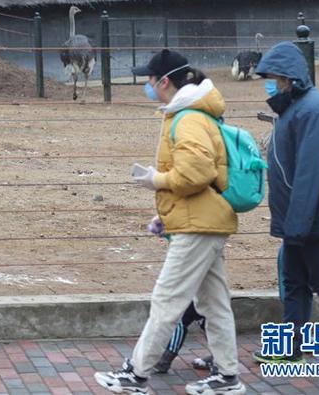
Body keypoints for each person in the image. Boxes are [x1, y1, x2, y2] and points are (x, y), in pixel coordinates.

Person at [94, 49, 245, 395]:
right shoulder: (191, 112)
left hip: (198, 227)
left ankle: (137, 374)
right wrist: (166, 214)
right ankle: (227, 377)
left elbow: (196, 172)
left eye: (149, 79)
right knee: (214, 303)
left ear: (164, 82)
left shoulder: (187, 117)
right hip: (205, 222)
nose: (146, 85)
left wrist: (156, 181)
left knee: (167, 299)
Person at [252, 42, 319, 364]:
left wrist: (297, 225)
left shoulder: (313, 110)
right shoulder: (291, 109)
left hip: (317, 223)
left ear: (288, 78)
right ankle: (290, 347)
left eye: (272, 78)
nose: (269, 84)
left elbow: (311, 174)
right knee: (295, 285)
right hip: (298, 223)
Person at [147, 216, 215, 374]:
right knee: (205, 316)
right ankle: (220, 357)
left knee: (180, 317)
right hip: (198, 257)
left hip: (192, 264)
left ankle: (165, 359)